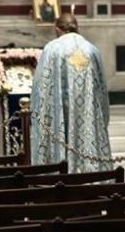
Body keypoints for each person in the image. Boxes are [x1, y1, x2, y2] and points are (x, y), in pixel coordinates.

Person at [30, 13, 112, 172]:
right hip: (88, 116)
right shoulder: (92, 50)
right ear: (77, 27)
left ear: (57, 29)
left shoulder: (52, 49)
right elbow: (102, 90)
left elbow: (40, 88)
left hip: (59, 118)